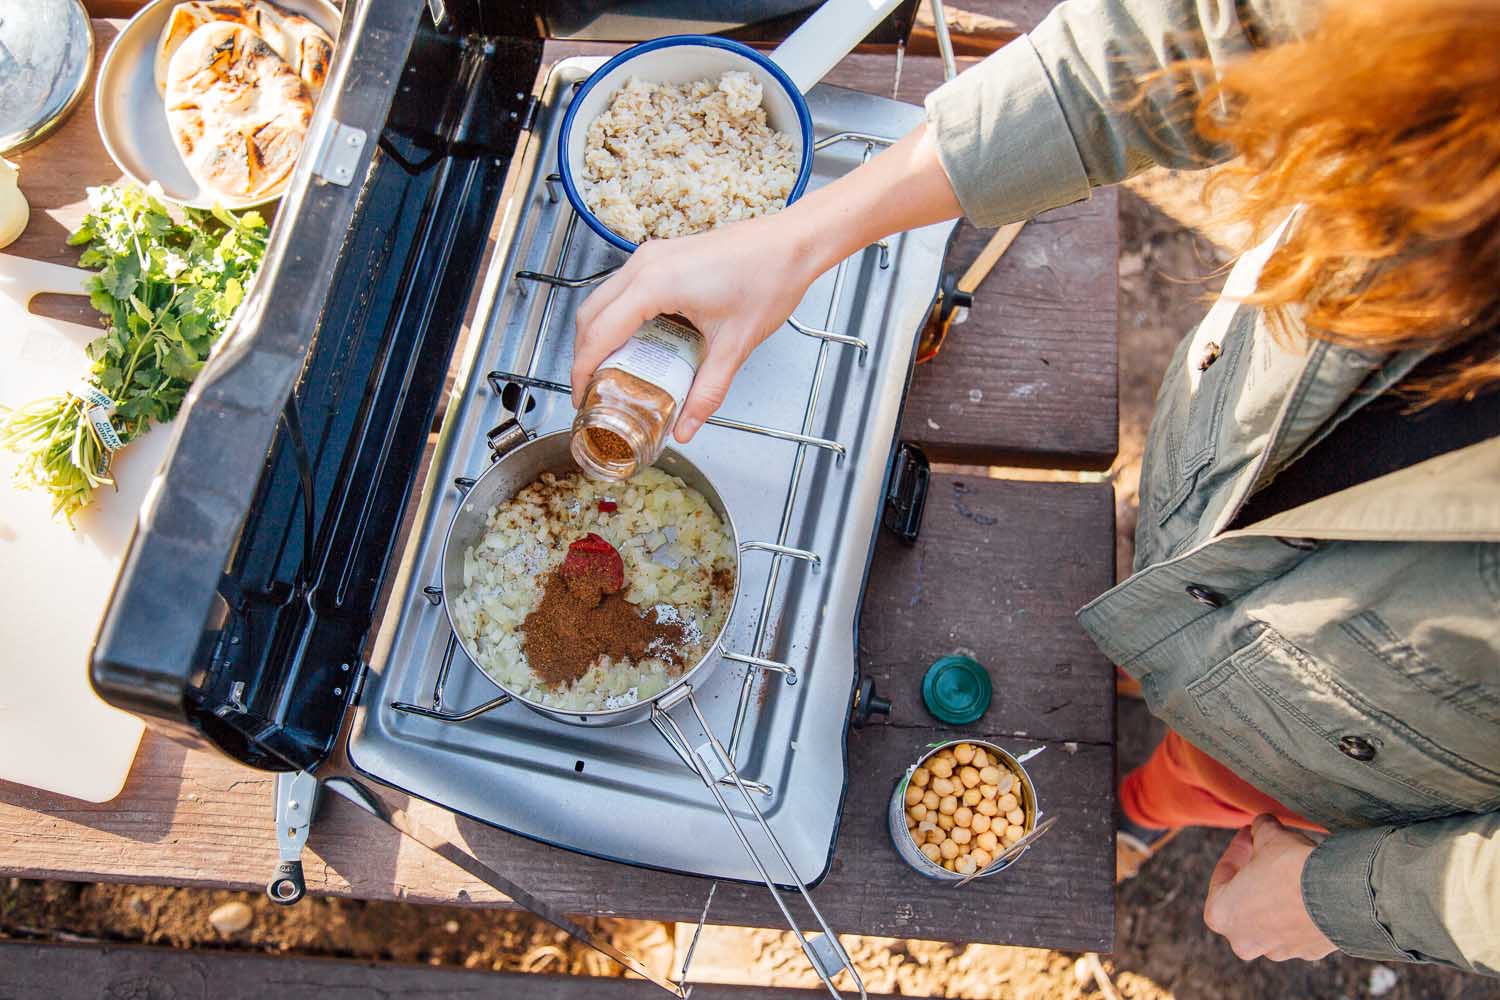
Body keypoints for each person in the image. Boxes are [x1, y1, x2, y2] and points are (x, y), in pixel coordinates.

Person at [570, 0, 1500, 976]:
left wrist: (1343, 896)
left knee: (1211, 778)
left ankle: (1139, 811)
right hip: (1231, 491)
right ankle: (1153, 664)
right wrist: (802, 237)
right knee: (1173, 593)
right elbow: (1188, 34)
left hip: (1357, 735)